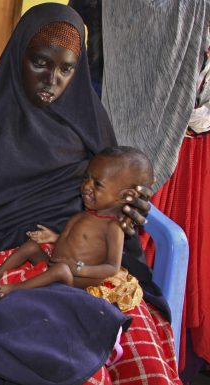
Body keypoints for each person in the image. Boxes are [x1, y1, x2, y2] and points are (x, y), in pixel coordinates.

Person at [0, 4, 181, 385]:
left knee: (143, 360)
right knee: (72, 362)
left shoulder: (92, 121)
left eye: (66, 68)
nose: (51, 79)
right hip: (7, 261)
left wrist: (127, 211)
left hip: (86, 265)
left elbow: (112, 202)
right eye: (40, 62)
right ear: (19, 54)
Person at [99, 1, 210, 379]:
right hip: (149, 142)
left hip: (197, 154)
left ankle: (184, 362)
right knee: (143, 251)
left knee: (191, 262)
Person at [0, 147, 152, 307]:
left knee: (61, 270)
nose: (86, 186)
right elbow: (77, 242)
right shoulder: (86, 214)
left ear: (126, 196)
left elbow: (112, 267)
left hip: (72, 281)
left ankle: (11, 289)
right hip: (54, 266)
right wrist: (54, 237)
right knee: (31, 246)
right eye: (86, 178)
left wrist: (80, 269)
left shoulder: (113, 227)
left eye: (97, 184)